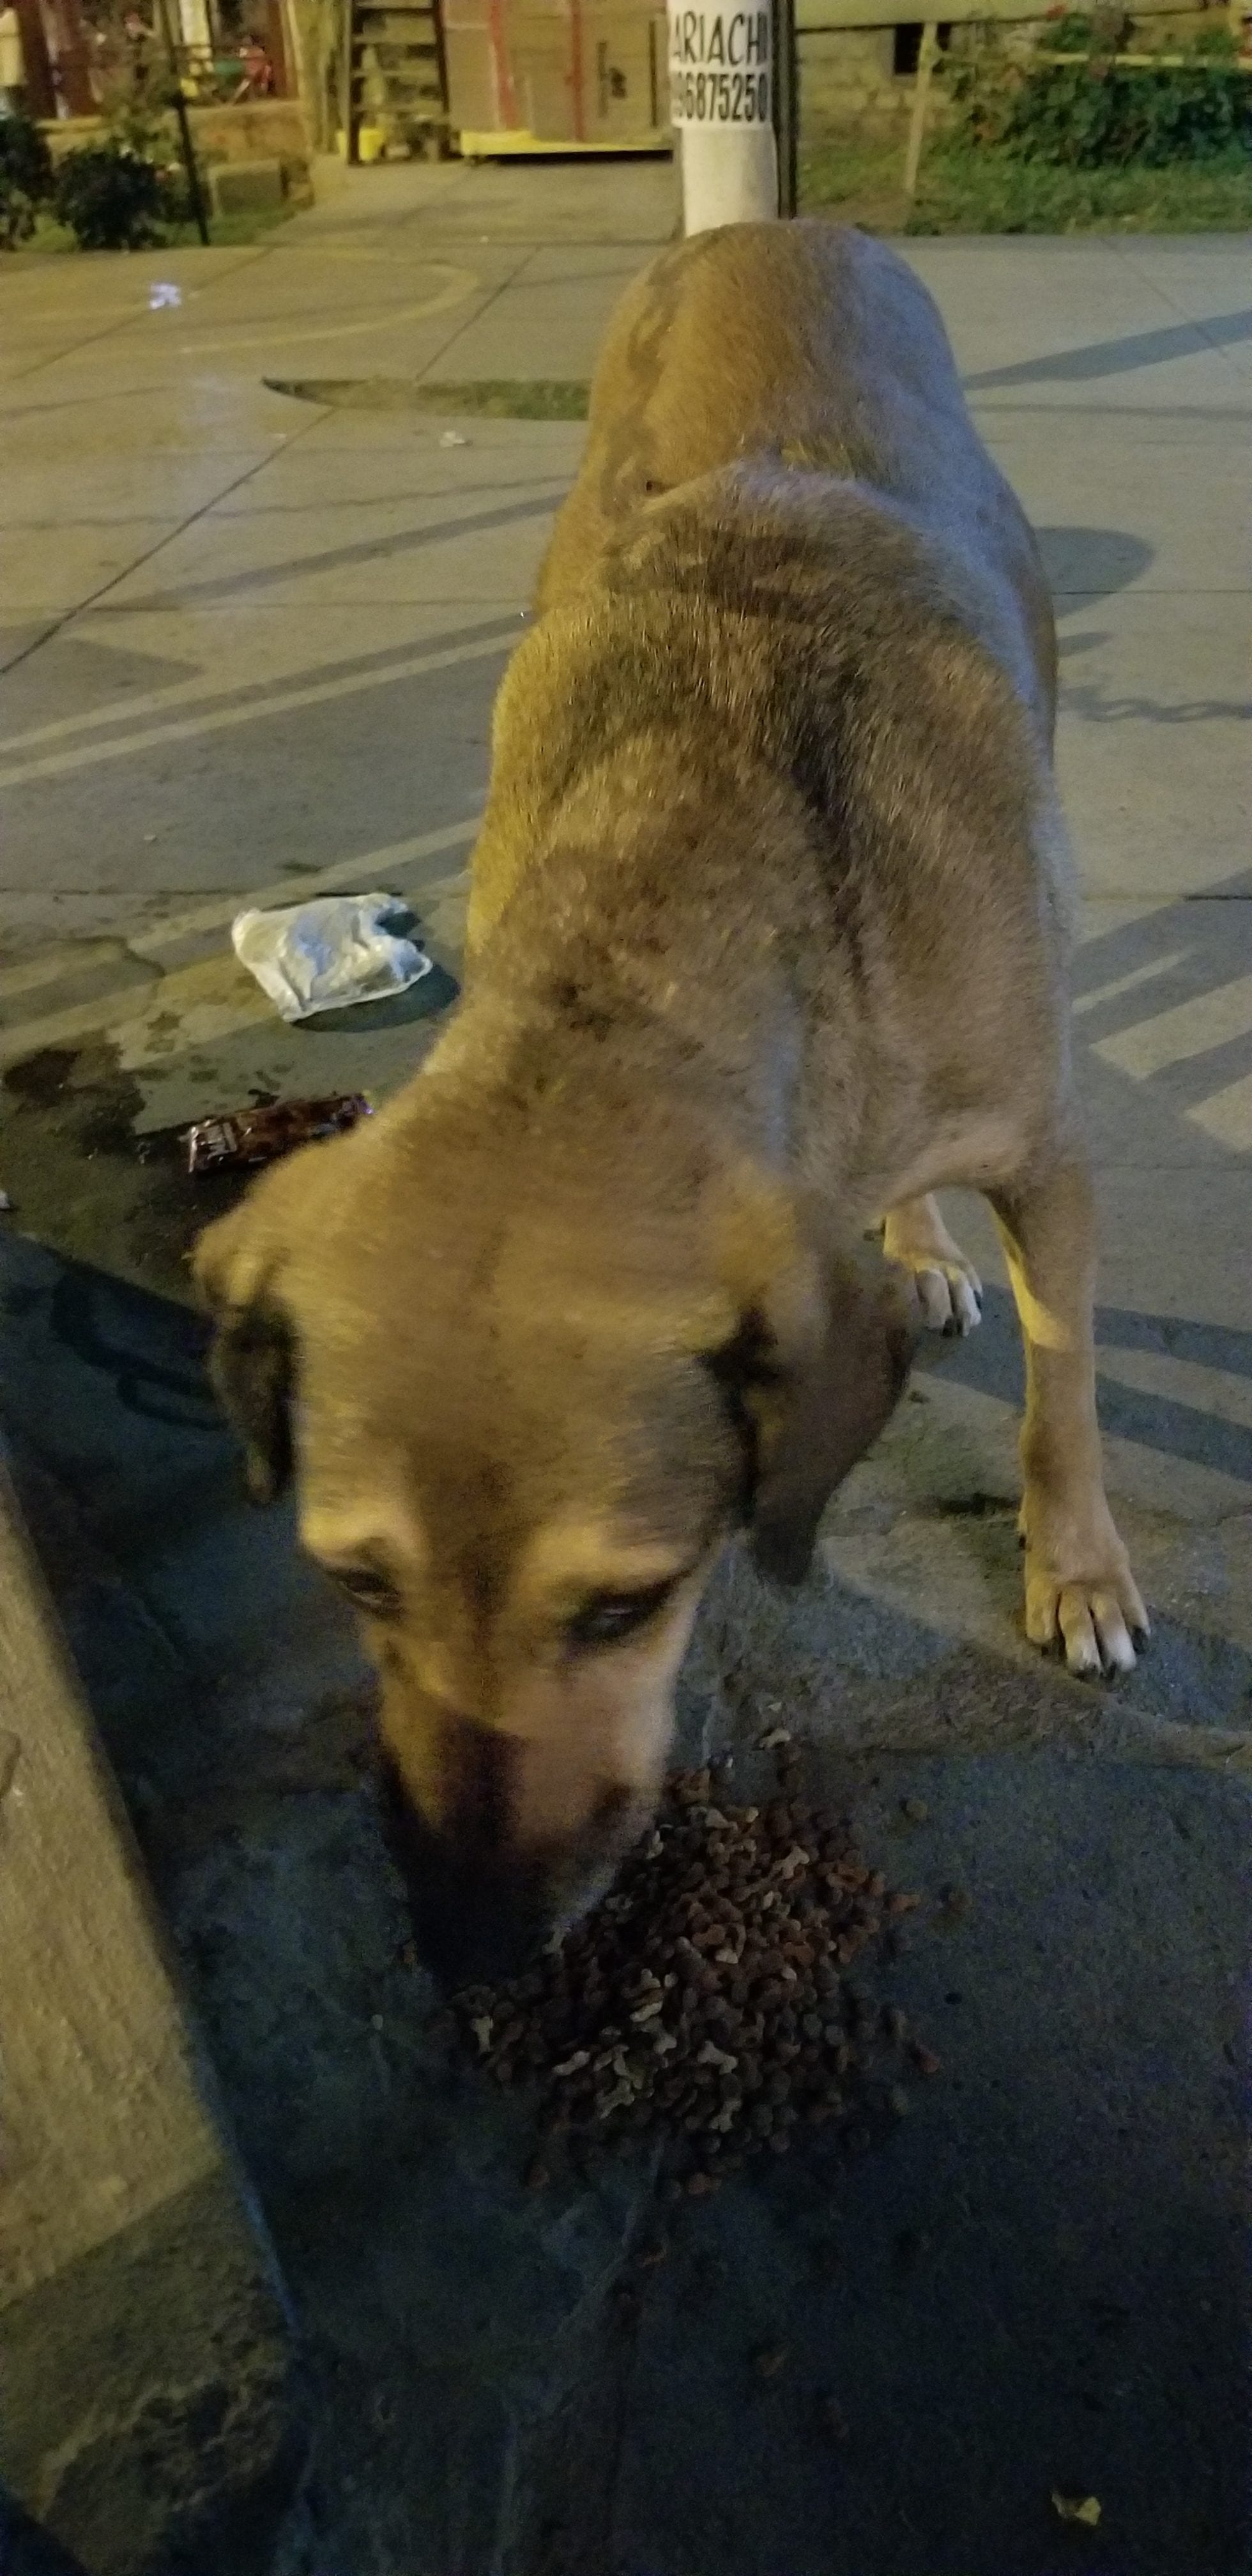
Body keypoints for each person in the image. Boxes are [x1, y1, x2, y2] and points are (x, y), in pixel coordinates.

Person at [0, 1, 27, 112]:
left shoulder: (11, 14)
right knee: (7, 87)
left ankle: (18, 113)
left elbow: (4, 28)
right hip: (4, 61)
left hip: (11, 57)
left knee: (13, 85)